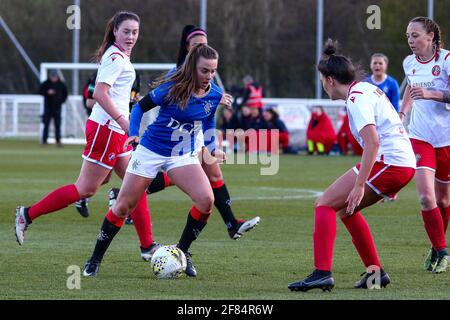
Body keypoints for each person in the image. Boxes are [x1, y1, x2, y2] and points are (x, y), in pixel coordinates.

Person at [15, 11, 159, 261]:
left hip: (112, 131)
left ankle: (147, 245)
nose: (131, 36)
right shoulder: (115, 57)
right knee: (85, 189)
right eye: (126, 31)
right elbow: (99, 95)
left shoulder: (119, 56)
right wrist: (124, 121)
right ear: (115, 30)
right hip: (108, 130)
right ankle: (27, 214)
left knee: (137, 184)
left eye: (135, 32)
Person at [83, 43, 228, 278]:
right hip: (150, 150)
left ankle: (181, 252)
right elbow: (140, 107)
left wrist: (212, 149)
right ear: (192, 67)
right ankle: (94, 259)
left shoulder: (214, 94)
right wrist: (133, 131)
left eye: (213, 71)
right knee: (122, 207)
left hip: (182, 153)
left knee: (206, 200)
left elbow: (209, 122)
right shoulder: (172, 88)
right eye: (204, 71)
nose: (209, 76)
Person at [108, 25, 260, 239]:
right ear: (188, 47)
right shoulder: (178, 75)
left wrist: (217, 103)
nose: (201, 49)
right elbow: (147, 105)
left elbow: (208, 109)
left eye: (204, 45)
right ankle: (128, 194)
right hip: (175, 136)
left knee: (212, 173)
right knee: (198, 173)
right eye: (197, 45)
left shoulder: (206, 73)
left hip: (193, 132)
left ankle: (231, 223)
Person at [288, 39, 416, 292]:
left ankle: (322, 273)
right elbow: (388, 130)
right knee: (347, 211)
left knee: (324, 203)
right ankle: (375, 274)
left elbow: (373, 141)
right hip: (398, 164)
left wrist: (360, 186)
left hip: (390, 162)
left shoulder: (357, 98)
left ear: (330, 80)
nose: (323, 86)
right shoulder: (365, 91)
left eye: (322, 81)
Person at [399, 17, 450, 273]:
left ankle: (436, 248)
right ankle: (442, 251)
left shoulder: (447, 60)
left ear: (430, 36)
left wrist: (432, 94)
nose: (410, 40)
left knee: (442, 201)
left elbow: (430, 91)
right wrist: (402, 112)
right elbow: (410, 87)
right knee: (425, 197)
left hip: (447, 140)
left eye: (415, 35)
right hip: (419, 137)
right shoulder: (409, 63)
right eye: (408, 35)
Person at [38, 70, 68, 147]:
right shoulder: (46, 83)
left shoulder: (61, 84)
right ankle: (44, 141)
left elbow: (65, 94)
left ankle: (58, 141)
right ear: (50, 76)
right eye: (53, 76)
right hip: (48, 107)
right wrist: (47, 92)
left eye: (55, 76)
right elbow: (39, 91)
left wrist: (61, 101)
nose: (54, 78)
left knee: (58, 125)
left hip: (57, 107)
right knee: (46, 125)